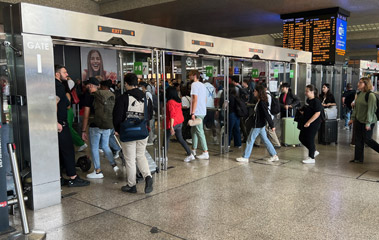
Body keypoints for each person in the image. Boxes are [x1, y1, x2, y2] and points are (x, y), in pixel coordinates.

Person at [113, 73, 154, 194]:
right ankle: (148, 177)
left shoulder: (123, 98)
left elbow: (117, 116)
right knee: (140, 155)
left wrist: (117, 129)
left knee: (130, 159)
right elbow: (150, 115)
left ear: (126, 83)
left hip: (127, 132)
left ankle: (132, 185)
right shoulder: (146, 97)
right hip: (142, 132)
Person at [55, 65, 90, 187]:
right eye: (64, 72)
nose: (67, 74)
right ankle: (73, 177)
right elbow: (54, 102)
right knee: (68, 150)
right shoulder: (58, 86)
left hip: (58, 123)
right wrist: (57, 122)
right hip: (60, 124)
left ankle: (59, 177)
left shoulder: (54, 85)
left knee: (59, 151)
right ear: (57, 74)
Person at [81, 77, 120, 179]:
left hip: (95, 126)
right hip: (107, 125)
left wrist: (83, 130)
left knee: (94, 148)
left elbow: (86, 115)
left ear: (90, 85)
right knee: (105, 146)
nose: (86, 86)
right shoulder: (105, 95)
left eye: (87, 85)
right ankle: (114, 165)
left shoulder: (90, 96)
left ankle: (98, 171)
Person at [236, 85, 279, 163]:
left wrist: (272, 125)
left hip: (258, 125)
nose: (254, 92)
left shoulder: (262, 103)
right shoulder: (259, 101)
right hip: (260, 124)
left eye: (255, 91)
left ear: (259, 92)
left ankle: (246, 157)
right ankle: (274, 155)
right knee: (265, 140)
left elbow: (267, 114)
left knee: (250, 139)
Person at [348, 77, 379, 163]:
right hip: (359, 120)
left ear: (366, 84)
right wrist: (352, 119)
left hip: (368, 121)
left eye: (360, 82)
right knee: (358, 140)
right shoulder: (358, 94)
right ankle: (358, 158)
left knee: (367, 139)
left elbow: (371, 110)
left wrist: (368, 123)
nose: (358, 84)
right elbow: (356, 108)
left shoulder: (371, 95)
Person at [165, 87, 195, 162]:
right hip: (179, 122)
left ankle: (164, 156)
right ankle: (190, 154)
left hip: (173, 123)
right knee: (180, 139)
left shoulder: (170, 102)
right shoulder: (178, 101)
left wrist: (171, 127)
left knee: (166, 139)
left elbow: (172, 115)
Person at [298, 85, 322, 164]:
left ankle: (311, 157)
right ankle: (313, 151)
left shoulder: (316, 101)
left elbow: (317, 113)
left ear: (312, 92)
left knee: (310, 139)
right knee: (301, 137)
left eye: (307, 91)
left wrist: (309, 122)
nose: (305, 93)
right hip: (306, 122)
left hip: (313, 123)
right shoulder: (309, 101)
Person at [189, 70, 209, 160]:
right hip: (202, 111)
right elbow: (204, 99)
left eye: (190, 75)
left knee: (199, 131)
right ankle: (193, 150)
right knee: (194, 131)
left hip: (197, 112)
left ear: (194, 75)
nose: (189, 77)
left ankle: (205, 152)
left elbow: (194, 99)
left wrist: (193, 112)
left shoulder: (194, 85)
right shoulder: (202, 85)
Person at [255, 83, 281, 148]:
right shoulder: (266, 95)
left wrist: (271, 124)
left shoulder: (266, 96)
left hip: (267, 116)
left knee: (269, 130)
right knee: (261, 130)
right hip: (265, 117)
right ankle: (256, 142)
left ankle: (277, 144)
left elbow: (266, 109)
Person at [65, 79, 87, 152]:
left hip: (68, 111)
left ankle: (81, 143)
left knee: (69, 128)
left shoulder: (67, 93)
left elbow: (67, 106)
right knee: (69, 128)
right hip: (68, 111)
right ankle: (80, 143)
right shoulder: (68, 92)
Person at [203, 78, 218, 143]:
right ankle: (215, 138)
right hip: (211, 107)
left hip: (204, 107)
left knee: (201, 123)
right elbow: (214, 97)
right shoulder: (213, 87)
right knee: (212, 123)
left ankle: (198, 139)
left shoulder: (202, 86)